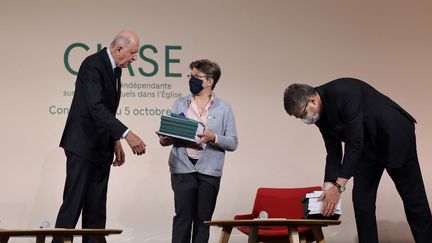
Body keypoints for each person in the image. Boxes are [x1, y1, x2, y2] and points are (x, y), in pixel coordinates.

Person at [283, 77, 432, 243]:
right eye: (299, 118)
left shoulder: (343, 92)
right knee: (362, 202)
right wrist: (328, 186)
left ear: (312, 100)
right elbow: (333, 152)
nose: (305, 120)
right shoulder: (318, 114)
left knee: (413, 199)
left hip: (393, 135)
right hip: (366, 146)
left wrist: (338, 187)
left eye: (303, 114)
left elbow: (355, 141)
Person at [52, 30, 147, 243]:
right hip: (82, 144)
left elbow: (107, 111)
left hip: (101, 146)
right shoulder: (93, 65)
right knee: (73, 204)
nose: (135, 58)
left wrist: (115, 141)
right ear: (119, 48)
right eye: (133, 52)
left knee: (96, 208)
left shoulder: (116, 70)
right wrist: (126, 134)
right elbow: (95, 108)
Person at [158, 59, 238, 243]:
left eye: (196, 76)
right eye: (190, 76)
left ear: (209, 81)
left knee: (203, 220)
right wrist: (166, 138)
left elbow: (233, 142)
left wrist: (214, 137)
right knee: (182, 218)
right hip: (182, 167)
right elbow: (171, 131)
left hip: (209, 171)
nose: (191, 79)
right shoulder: (180, 103)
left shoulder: (224, 108)